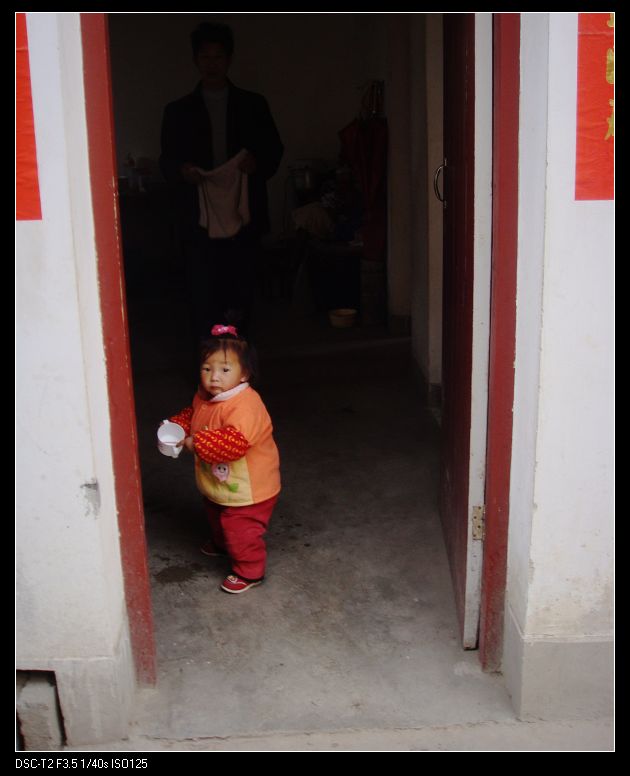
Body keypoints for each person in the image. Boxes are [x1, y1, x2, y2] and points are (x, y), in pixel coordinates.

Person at [160, 22, 284, 341]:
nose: (212, 64)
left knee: (241, 288)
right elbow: (167, 160)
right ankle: (208, 358)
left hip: (243, 214)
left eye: (218, 57)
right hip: (198, 218)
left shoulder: (253, 105)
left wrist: (256, 164)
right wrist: (183, 171)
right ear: (195, 60)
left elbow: (273, 150)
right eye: (205, 57)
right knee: (202, 291)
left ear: (229, 59)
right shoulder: (178, 111)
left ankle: (239, 358)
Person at [169, 324, 281, 593]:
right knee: (216, 512)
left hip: (250, 489)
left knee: (240, 529)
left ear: (245, 374)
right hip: (219, 481)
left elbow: (235, 442)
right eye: (207, 368)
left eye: (225, 370)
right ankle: (222, 544)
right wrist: (177, 427)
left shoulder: (246, 405)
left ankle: (250, 570)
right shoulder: (205, 395)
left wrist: (194, 443)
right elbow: (194, 414)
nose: (214, 377)